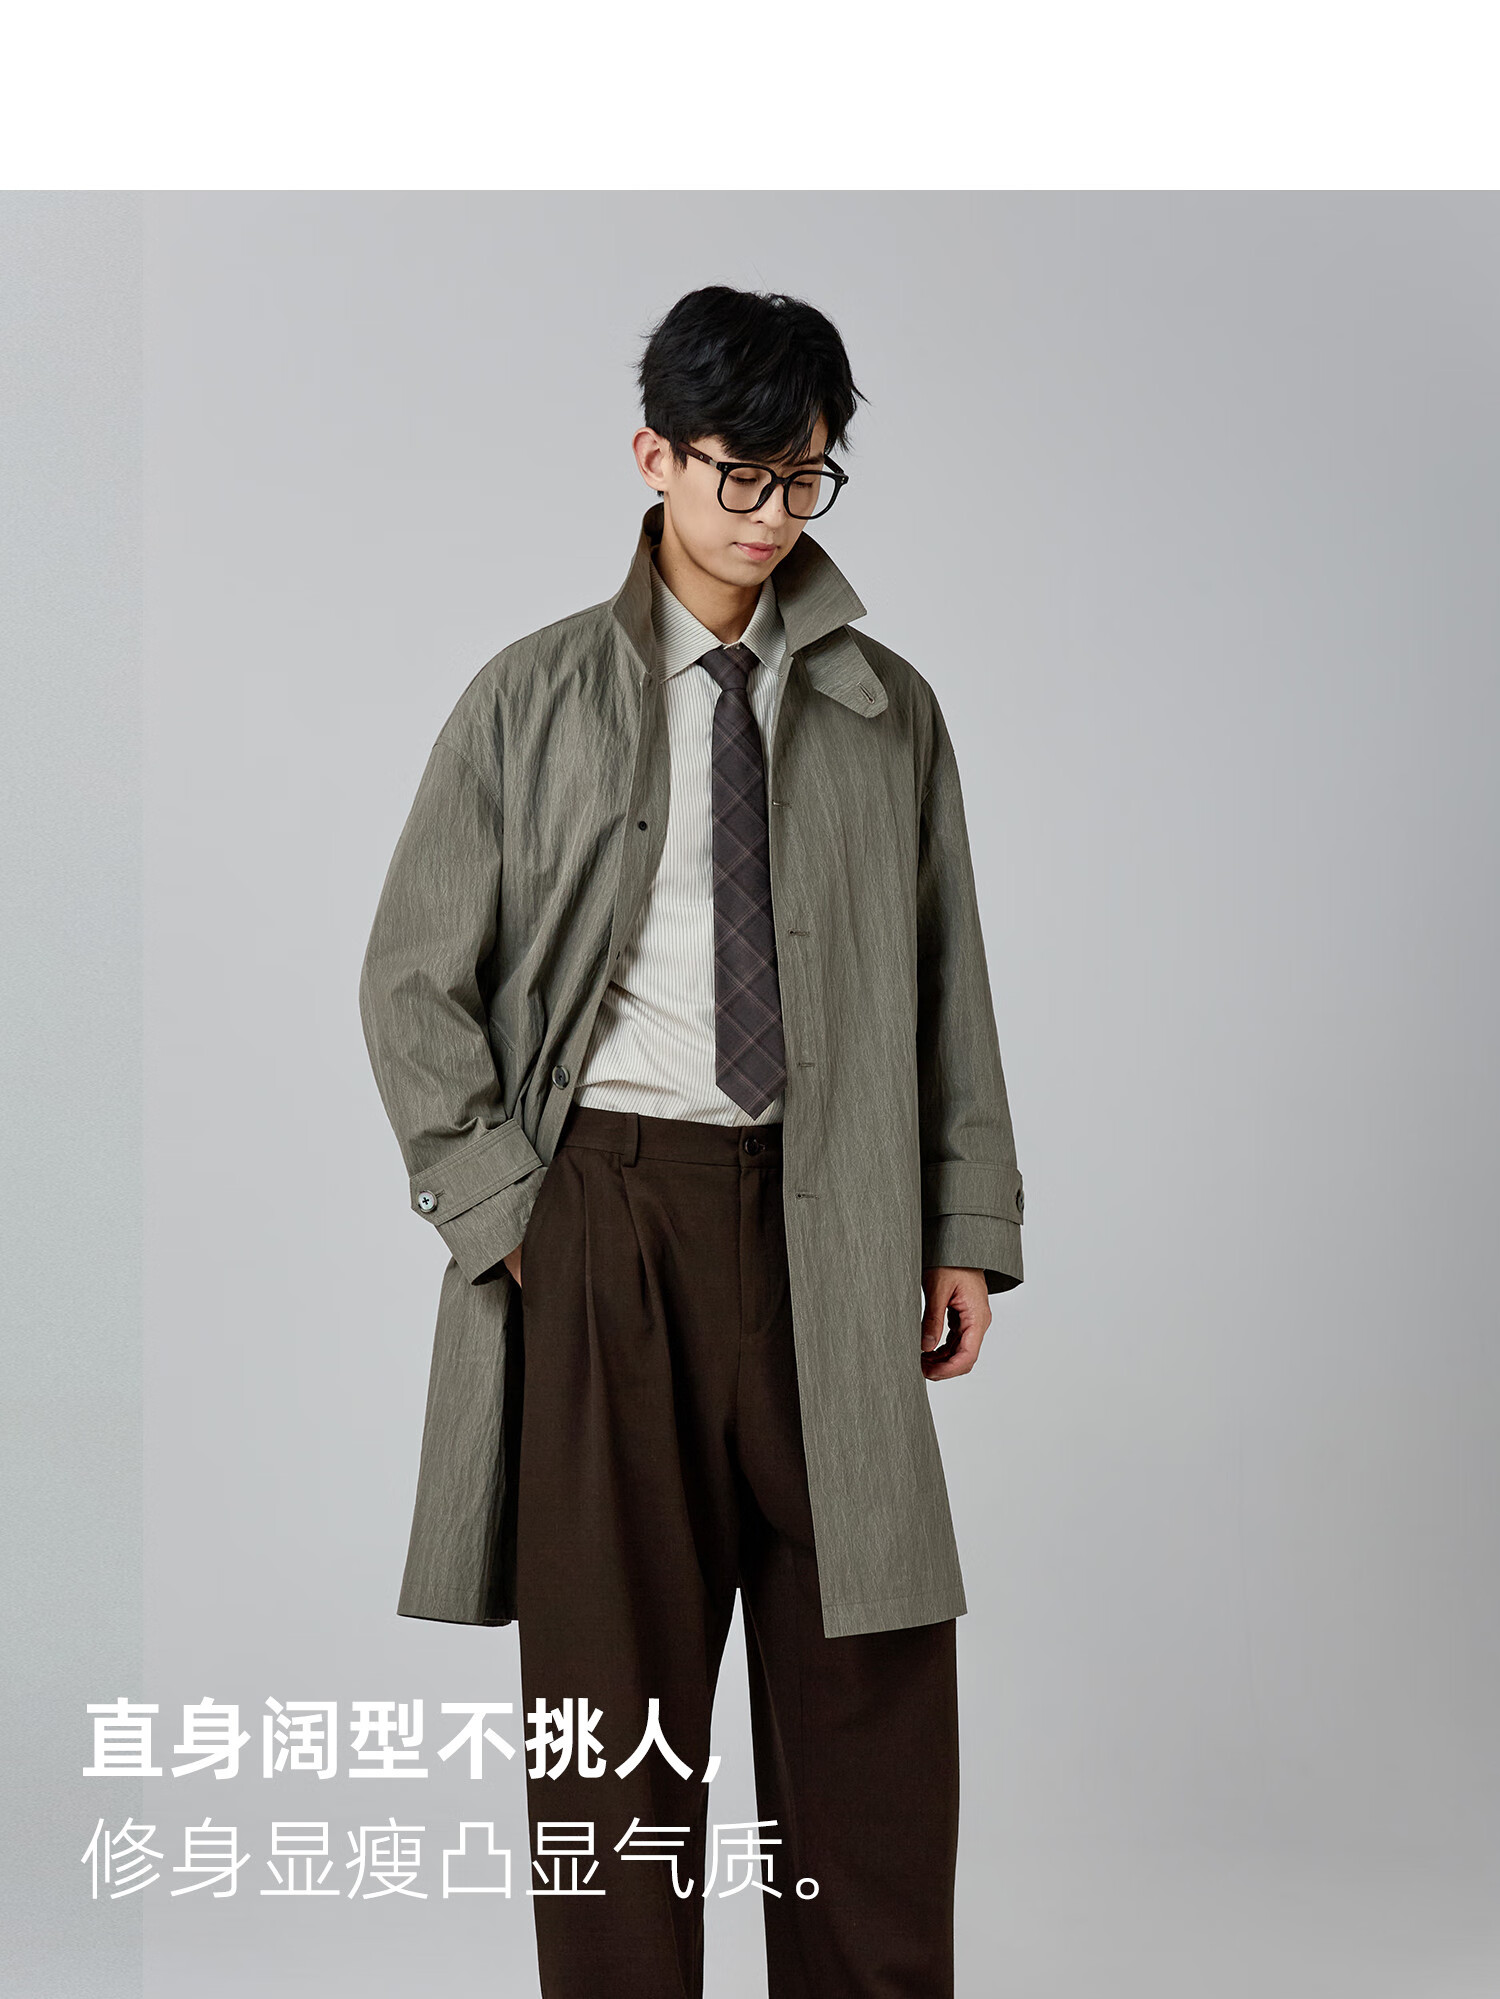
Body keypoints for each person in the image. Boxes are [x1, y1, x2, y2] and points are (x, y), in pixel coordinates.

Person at [358, 284, 1026, 1998]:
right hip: (609, 1222)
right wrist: (513, 1214)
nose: (770, 514)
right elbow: (413, 980)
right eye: (741, 472)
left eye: (806, 478)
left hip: (834, 1225)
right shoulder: (532, 698)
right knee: (612, 1724)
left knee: (873, 1706)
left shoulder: (887, 711)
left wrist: (963, 1223)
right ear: (653, 454)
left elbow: (948, 978)